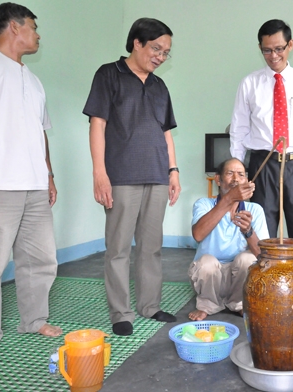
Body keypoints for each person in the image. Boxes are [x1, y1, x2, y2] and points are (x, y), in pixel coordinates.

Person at [0, 2, 62, 358]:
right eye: (33, 27)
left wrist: (49, 174)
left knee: (41, 260)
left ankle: (34, 320)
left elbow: (42, 132)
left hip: (35, 185)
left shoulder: (33, 80)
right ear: (13, 27)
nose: (38, 35)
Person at [83, 18, 181, 336]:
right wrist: (100, 173)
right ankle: (120, 312)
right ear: (137, 43)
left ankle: (149, 306)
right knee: (119, 247)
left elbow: (166, 134)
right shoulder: (109, 74)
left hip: (157, 174)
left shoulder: (159, 86)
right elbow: (97, 125)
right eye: (156, 49)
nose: (160, 57)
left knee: (151, 246)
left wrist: (173, 170)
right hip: (121, 175)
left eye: (166, 53)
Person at [229, 19, 293, 311]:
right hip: (262, 165)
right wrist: (238, 171)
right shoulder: (250, 83)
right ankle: (264, 290)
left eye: (279, 49)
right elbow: (238, 129)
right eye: (266, 51)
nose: (273, 56)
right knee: (262, 229)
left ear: (290, 45)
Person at [188, 158, 269, 321]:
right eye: (230, 173)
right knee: (206, 262)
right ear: (218, 179)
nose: (236, 179)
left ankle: (239, 303)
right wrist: (228, 199)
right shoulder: (204, 204)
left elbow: (262, 255)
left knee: (247, 259)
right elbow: (198, 235)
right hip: (210, 276)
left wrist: (248, 231)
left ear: (246, 181)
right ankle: (207, 304)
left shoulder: (255, 209)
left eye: (241, 175)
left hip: (239, 276)